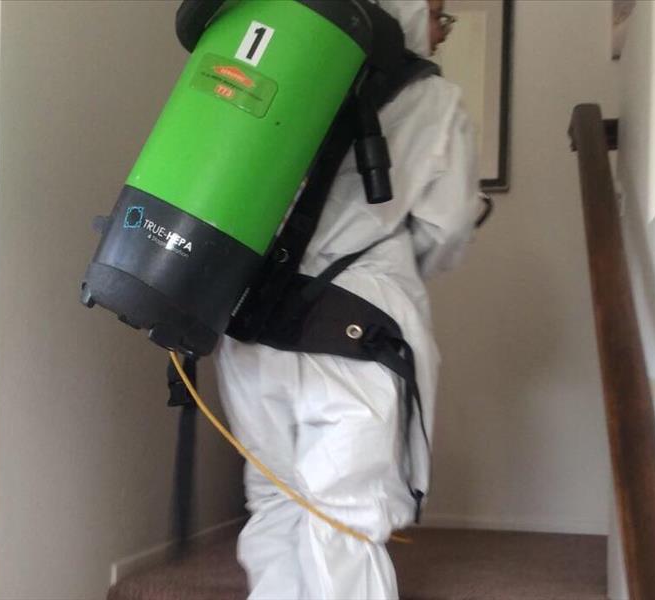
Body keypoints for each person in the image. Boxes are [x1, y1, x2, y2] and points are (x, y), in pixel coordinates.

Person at [214, 1, 479, 598]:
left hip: (252, 316)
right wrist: (394, 264)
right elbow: (447, 230)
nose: (441, 30)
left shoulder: (284, 73)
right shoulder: (436, 102)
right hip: (358, 325)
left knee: (275, 496)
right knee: (345, 512)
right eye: (439, 13)